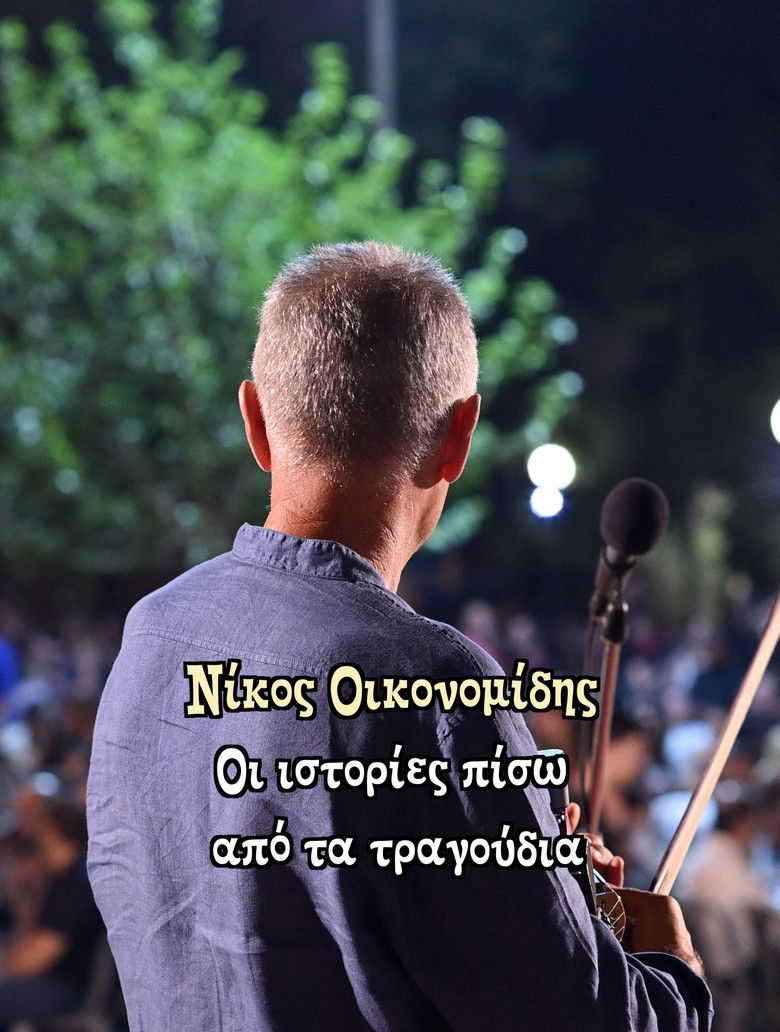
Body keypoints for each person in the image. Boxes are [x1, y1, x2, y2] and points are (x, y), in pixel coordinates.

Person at [87, 242, 712, 1031]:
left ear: (256, 422)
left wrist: (534, 890)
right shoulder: (432, 686)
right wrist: (669, 965)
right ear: (459, 437)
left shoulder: (155, 632)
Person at [0, 788, 104, 1029]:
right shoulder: (66, 878)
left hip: (68, 989)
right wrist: (25, 896)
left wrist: (5, 967)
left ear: (51, 832)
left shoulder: (75, 885)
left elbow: (33, 960)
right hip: (57, 983)